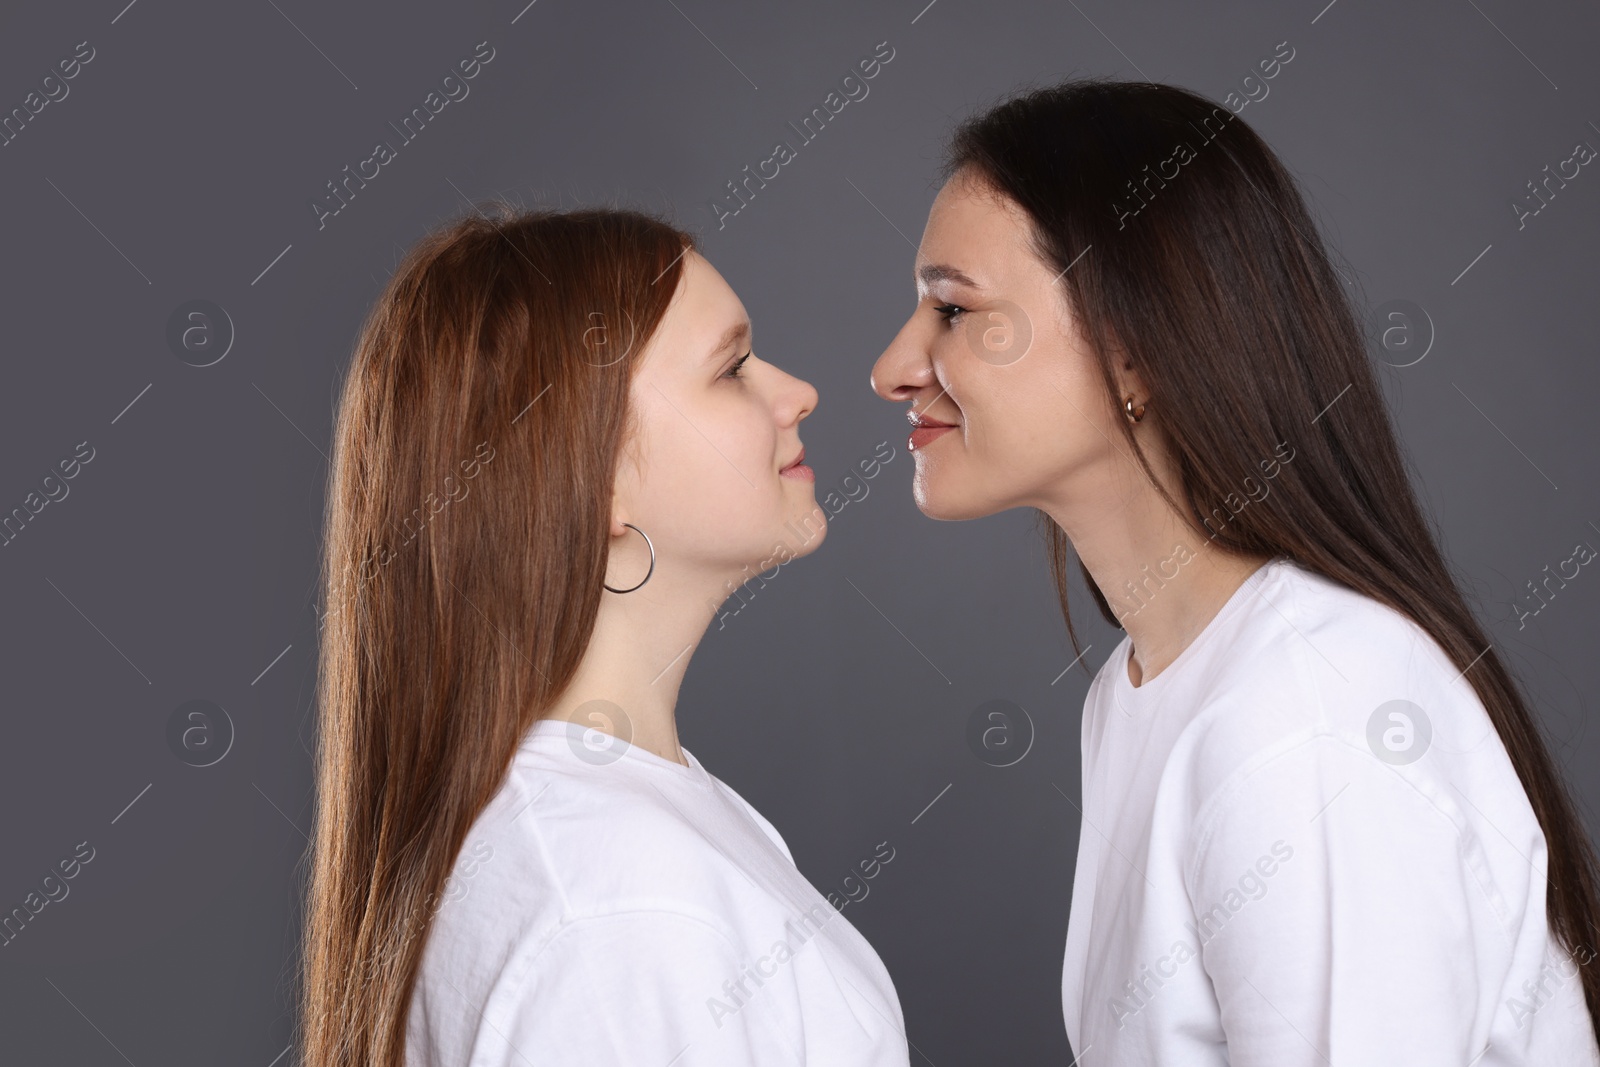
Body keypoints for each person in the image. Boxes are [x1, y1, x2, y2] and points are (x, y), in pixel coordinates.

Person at [869, 77, 1600, 1065]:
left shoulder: (1302, 714)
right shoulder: (1137, 694)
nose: (893, 367)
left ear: (1133, 354)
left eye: (953, 308)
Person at [298, 206, 910, 1067]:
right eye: (731, 368)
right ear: (596, 485)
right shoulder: (614, 907)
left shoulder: (622, 829)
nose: (795, 392)